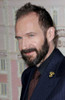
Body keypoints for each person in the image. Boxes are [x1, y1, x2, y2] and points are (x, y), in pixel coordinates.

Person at [15, 2, 65, 100]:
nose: (23, 46)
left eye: (31, 35)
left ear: (50, 34)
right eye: (19, 38)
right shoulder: (27, 75)